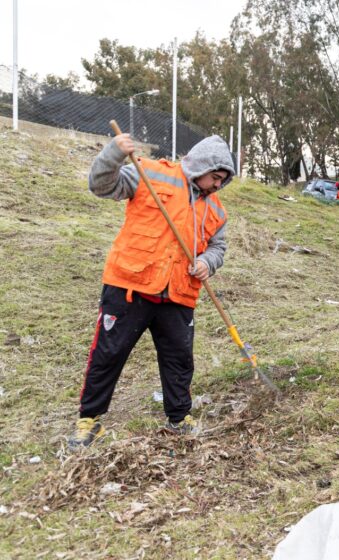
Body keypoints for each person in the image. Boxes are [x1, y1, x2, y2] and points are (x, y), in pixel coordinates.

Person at [67, 133, 235, 450]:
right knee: (108, 354)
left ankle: (179, 417)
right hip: (130, 286)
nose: (216, 185)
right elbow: (100, 185)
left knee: (179, 359)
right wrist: (113, 154)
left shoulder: (216, 210)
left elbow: (218, 247)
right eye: (215, 177)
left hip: (179, 294)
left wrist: (206, 263)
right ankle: (89, 421)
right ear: (203, 165)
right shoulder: (149, 173)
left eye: (221, 181)